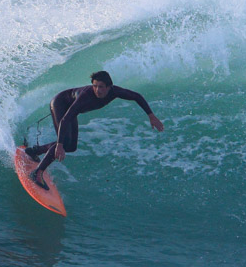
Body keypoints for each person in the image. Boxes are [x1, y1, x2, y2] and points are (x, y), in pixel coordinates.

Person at [26, 70, 164, 189]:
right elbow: (65, 120)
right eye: (95, 86)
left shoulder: (115, 92)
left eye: (101, 87)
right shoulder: (85, 96)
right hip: (61, 103)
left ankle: (34, 151)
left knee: (72, 147)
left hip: (70, 109)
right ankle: (38, 173)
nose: (97, 90)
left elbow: (136, 96)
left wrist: (151, 115)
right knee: (63, 143)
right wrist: (59, 146)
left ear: (109, 87)